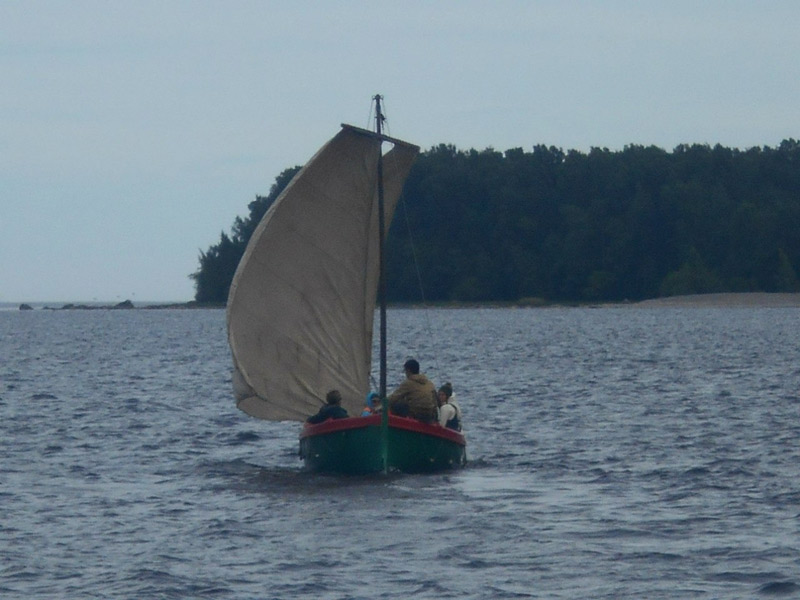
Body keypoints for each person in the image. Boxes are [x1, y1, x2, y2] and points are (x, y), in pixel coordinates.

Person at [387, 358, 438, 423]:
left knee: (397, 405)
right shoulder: (429, 383)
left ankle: (397, 424)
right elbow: (435, 400)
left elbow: (393, 398)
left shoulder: (408, 383)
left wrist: (382, 404)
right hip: (430, 415)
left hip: (417, 414)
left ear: (408, 371)